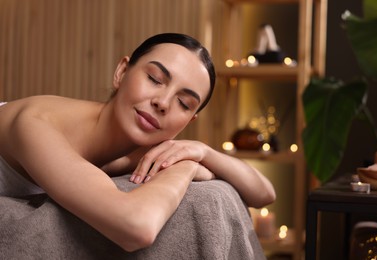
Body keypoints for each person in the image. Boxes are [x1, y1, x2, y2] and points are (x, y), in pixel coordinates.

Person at [0, 33, 275, 252]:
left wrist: (202, 151)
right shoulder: (35, 123)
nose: (163, 102)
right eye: (155, 79)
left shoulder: (142, 149)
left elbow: (264, 194)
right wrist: (186, 167)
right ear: (121, 72)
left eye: (184, 103)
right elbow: (136, 227)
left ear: (189, 121)